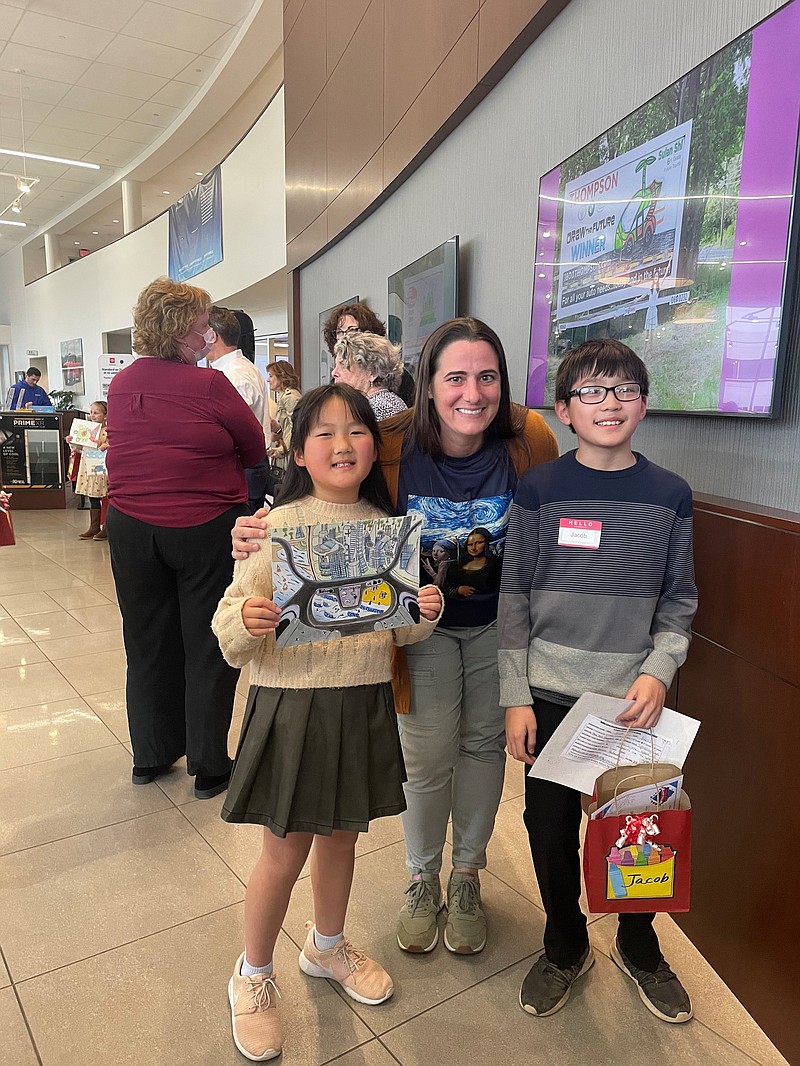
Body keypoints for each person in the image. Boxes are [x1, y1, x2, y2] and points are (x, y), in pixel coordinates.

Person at [231, 317, 559, 958]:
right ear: (427, 386)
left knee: (485, 749)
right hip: (417, 630)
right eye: (455, 377)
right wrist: (261, 531)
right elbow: (332, 490)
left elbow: (558, 506)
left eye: (487, 376)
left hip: (501, 624)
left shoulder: (530, 439)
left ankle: (467, 876)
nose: (473, 393)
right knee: (427, 755)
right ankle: (420, 877)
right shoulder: (389, 442)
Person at [212, 383, 443, 1061]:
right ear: (299, 452)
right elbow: (229, 623)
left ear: (376, 447)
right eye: (324, 434)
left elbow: (398, 635)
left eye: (357, 431)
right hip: (291, 703)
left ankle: (327, 945)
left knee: (342, 838)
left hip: (362, 700)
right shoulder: (273, 527)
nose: (342, 445)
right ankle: (252, 975)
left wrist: (424, 611)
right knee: (284, 848)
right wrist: (246, 622)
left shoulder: (388, 529)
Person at [499, 339, 697, 1023]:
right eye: (591, 390)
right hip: (550, 697)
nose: (608, 402)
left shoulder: (670, 495)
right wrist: (516, 696)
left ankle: (641, 947)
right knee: (547, 829)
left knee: (640, 834)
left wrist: (659, 670)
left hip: (634, 704)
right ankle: (564, 944)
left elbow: (678, 601)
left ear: (644, 404)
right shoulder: (541, 489)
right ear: (563, 408)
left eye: (623, 390)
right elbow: (514, 598)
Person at [105, 277, 266, 800]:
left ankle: (150, 756)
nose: (206, 338)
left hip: (130, 526)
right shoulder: (210, 385)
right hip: (201, 528)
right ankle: (209, 764)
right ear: (177, 331)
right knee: (208, 643)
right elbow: (254, 446)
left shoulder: (123, 384)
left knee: (146, 641)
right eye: (200, 328)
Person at [207, 306, 271, 512]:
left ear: (212, 335)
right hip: (246, 467)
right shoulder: (241, 368)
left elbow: (234, 432)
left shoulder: (234, 377)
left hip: (243, 468)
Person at [322, 302, 415, 405]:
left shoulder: (401, 380)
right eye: (339, 332)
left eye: (352, 330)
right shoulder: (336, 380)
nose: (344, 336)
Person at [332, 331, 407, 420]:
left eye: (343, 365)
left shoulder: (378, 408)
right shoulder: (387, 402)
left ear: (373, 372)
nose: (334, 373)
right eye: (335, 365)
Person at [71, 400, 109, 541]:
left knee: (105, 496)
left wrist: (104, 445)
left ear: (105, 415)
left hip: (102, 468)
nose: (92, 415)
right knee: (93, 497)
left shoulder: (108, 431)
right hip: (89, 467)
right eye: (91, 412)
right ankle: (94, 527)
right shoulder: (87, 429)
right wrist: (73, 442)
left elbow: (112, 446)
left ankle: (106, 527)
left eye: (96, 413)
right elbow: (81, 448)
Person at [266, 360, 301, 492]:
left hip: (288, 454)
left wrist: (282, 449)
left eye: (271, 376)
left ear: (281, 376)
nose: (268, 380)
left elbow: (295, 428)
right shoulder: (284, 396)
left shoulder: (290, 397)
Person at [442, 526, 502, 600]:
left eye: (479, 543)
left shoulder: (497, 565)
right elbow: (446, 588)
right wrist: (459, 590)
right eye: (470, 544)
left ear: (488, 542)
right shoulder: (456, 567)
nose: (473, 548)